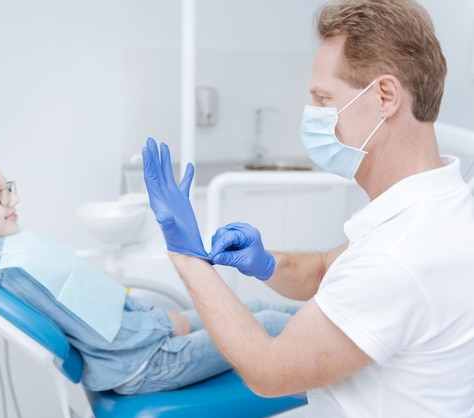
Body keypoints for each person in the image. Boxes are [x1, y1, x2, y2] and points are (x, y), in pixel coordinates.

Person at [141, 0, 474, 416]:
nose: (313, 115)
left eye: (323, 97)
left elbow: (269, 371)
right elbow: (322, 270)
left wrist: (186, 256)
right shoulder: (435, 205)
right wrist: (265, 263)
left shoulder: (399, 256)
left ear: (386, 96)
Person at [0, 152, 299, 396]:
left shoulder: (16, 246)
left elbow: (96, 296)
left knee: (252, 306)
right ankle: (349, 339)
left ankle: (344, 323)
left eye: (9, 189)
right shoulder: (14, 270)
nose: (12, 199)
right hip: (141, 364)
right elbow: (98, 334)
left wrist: (159, 319)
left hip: (146, 339)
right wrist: (167, 326)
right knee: (264, 322)